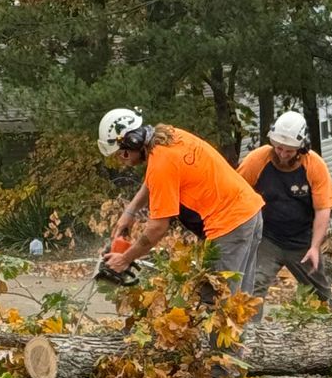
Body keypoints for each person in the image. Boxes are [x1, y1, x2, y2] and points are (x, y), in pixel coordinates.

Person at [99, 109, 269, 296]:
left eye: (121, 155)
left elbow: (157, 228)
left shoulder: (161, 164)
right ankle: (250, 326)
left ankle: (242, 325)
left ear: (130, 144)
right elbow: (153, 180)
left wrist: (124, 258)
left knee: (215, 301)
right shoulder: (170, 136)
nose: (122, 161)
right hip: (248, 212)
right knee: (240, 297)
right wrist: (129, 213)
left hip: (228, 224)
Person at [236, 111, 332, 304]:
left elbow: (323, 209)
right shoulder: (257, 160)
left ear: (301, 148)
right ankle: (248, 330)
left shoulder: (314, 165)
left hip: (302, 241)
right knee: (253, 286)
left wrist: (315, 247)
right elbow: (236, 194)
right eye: (279, 148)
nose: (282, 154)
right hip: (267, 237)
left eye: (289, 151)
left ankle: (330, 327)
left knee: (322, 296)